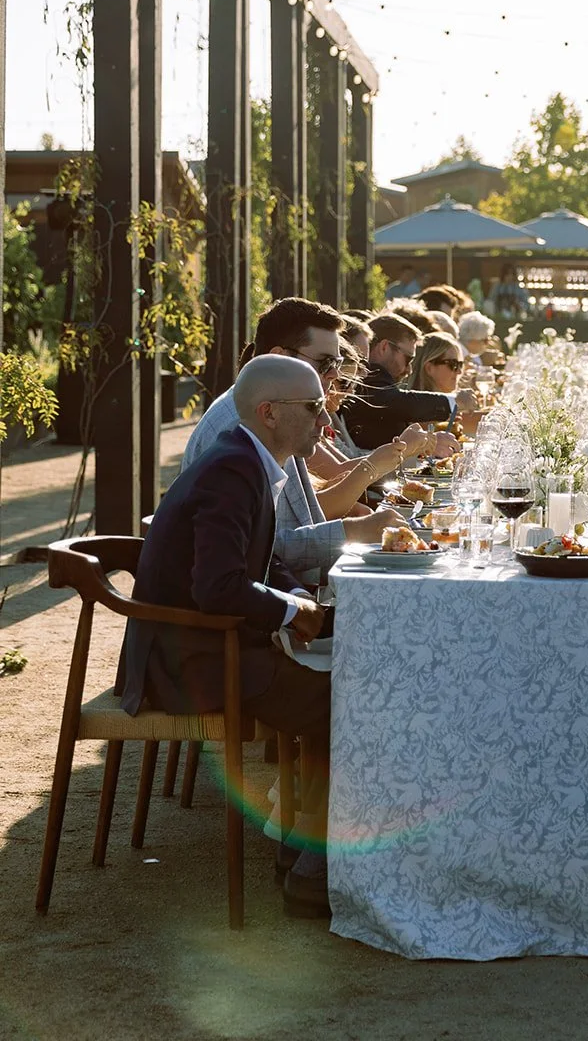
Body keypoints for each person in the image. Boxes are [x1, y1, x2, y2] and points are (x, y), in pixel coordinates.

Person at [121, 356, 358, 917]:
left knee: (345, 687)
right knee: (352, 706)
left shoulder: (249, 460)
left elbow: (260, 562)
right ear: (269, 412)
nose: (327, 423)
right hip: (193, 662)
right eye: (315, 407)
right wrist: (292, 612)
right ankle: (310, 871)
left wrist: (305, 606)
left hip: (210, 647)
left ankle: (303, 850)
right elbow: (220, 587)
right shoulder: (235, 468)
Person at [184, 298, 415, 582]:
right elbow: (261, 550)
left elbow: (300, 524)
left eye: (338, 363)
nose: (334, 375)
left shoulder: (280, 408)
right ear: (279, 356)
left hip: (288, 589)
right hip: (247, 610)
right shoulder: (243, 423)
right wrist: (351, 531)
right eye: (326, 362)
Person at [341, 312, 457, 450]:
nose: (409, 370)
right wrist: (453, 402)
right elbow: (395, 401)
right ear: (384, 347)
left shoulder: (377, 379)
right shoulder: (371, 376)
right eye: (408, 359)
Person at [409, 332, 478, 414]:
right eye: (453, 364)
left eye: (460, 364)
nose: (459, 371)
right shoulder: (413, 408)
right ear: (429, 368)